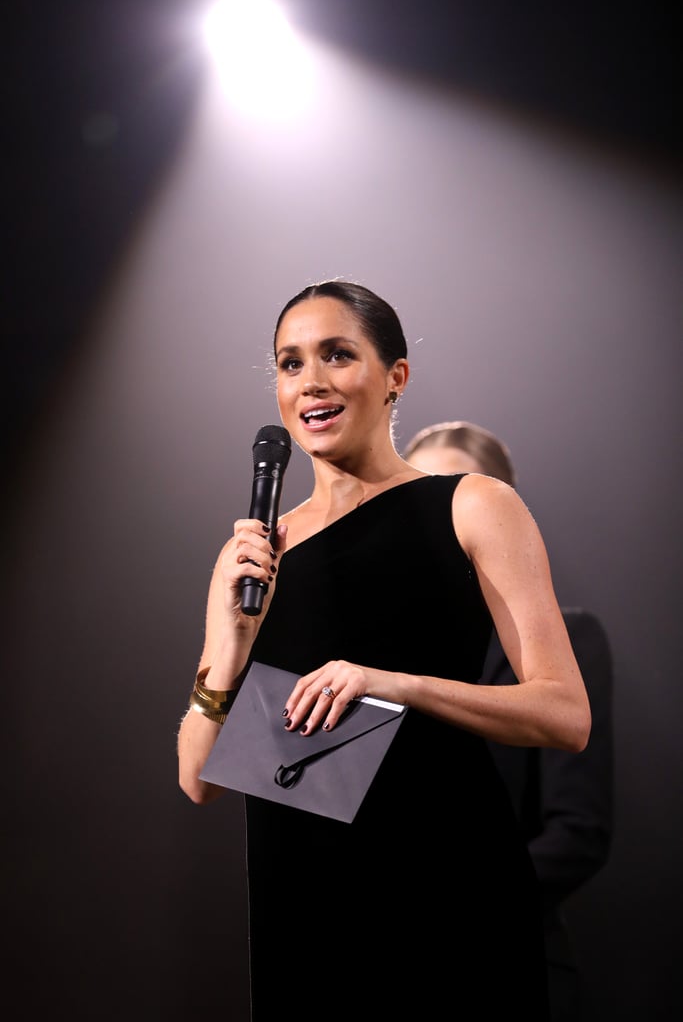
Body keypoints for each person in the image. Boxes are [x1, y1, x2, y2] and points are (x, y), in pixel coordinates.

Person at [177, 280, 592, 1021]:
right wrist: (233, 648)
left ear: (395, 376)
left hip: (444, 887)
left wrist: (388, 683)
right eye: (289, 362)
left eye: (337, 355)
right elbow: (197, 779)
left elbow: (563, 713)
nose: (310, 382)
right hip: (302, 901)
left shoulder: (471, 505)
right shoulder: (253, 555)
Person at [403, 420, 614, 1022]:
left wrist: (455, 908)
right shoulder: (378, 645)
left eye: (455, 491)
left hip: (511, 962)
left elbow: (578, 831)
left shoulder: (570, 639)